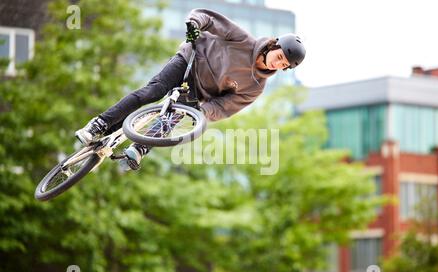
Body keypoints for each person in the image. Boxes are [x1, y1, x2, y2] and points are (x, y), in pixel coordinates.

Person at [75, 8, 306, 171]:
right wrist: (194, 25)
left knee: (176, 115)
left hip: (198, 92)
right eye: (279, 57)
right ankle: (99, 124)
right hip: (189, 61)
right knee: (153, 92)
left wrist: (203, 111)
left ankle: (139, 149)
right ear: (273, 46)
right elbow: (207, 18)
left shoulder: (255, 88)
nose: (278, 64)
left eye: (283, 65)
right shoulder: (242, 40)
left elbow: (225, 106)